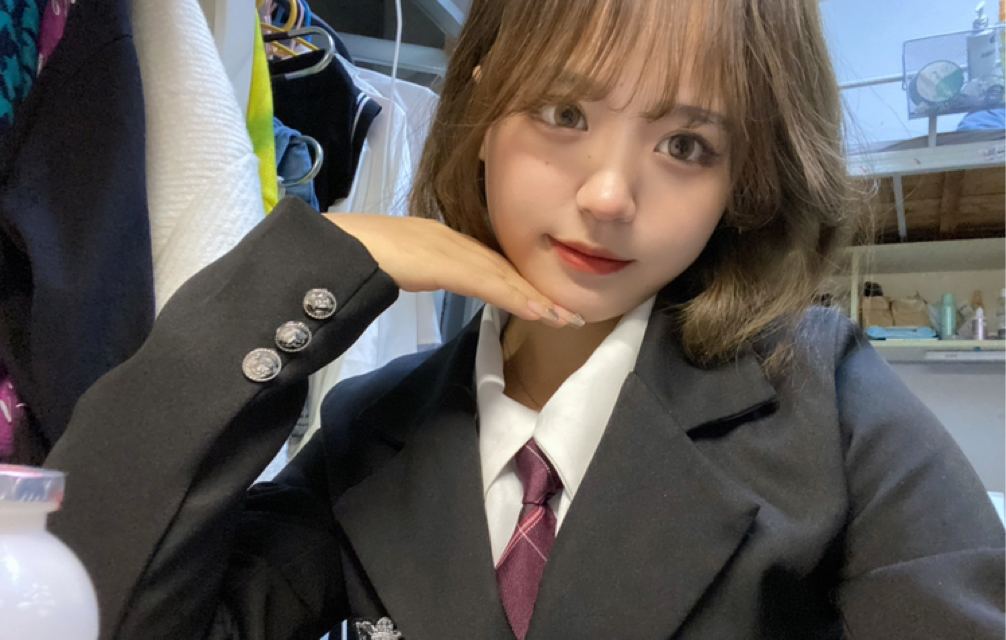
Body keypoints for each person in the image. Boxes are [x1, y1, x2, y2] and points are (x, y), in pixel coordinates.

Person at [46, 0, 1004, 639]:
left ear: (743, 183)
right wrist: (301, 270)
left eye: (685, 144)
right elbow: (85, 606)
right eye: (562, 112)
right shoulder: (374, 429)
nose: (609, 195)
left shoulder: (823, 398)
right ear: (480, 112)